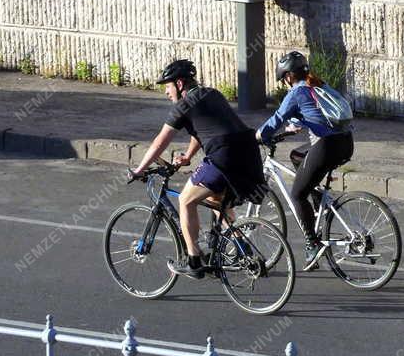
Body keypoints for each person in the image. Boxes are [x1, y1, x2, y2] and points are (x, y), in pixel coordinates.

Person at [130, 58, 264, 280]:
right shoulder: (212, 93)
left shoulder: (183, 105)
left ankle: (194, 261)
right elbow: (203, 131)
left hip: (224, 155)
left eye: (168, 85)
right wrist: (188, 156)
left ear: (180, 84)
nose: (166, 92)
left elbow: (159, 142)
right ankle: (242, 248)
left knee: (185, 200)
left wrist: (139, 169)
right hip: (248, 152)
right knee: (215, 200)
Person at [256, 50, 353, 269]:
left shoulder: (297, 92)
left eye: (284, 80)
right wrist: (291, 131)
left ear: (289, 76)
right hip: (346, 143)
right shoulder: (318, 85)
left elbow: (276, 119)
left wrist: (257, 136)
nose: (285, 84)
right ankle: (319, 201)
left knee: (297, 194)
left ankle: (312, 244)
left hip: (327, 146)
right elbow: (310, 116)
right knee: (297, 156)